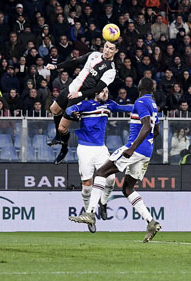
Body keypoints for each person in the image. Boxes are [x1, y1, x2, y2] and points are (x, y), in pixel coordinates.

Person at [69, 78, 162, 243]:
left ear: (139, 86)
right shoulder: (152, 104)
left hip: (134, 149)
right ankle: (151, 221)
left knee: (102, 172)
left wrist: (132, 148)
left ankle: (90, 212)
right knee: (127, 189)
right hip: (147, 151)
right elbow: (156, 131)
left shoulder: (140, 101)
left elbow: (147, 126)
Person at [65, 87, 133, 232]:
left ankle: (102, 202)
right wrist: (73, 113)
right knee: (87, 186)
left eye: (107, 92)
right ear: (96, 93)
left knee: (111, 179)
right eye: (103, 91)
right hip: (84, 149)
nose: (105, 94)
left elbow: (126, 107)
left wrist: (141, 106)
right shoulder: (86, 105)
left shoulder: (110, 105)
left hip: (101, 148)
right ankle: (88, 214)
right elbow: (69, 110)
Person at [45, 40, 118, 164]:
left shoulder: (111, 70)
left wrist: (79, 94)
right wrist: (56, 66)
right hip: (72, 87)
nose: (107, 50)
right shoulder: (93, 54)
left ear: (116, 51)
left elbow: (97, 89)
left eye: (111, 49)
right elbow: (75, 62)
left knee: (63, 128)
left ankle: (64, 149)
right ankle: (58, 136)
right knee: (54, 109)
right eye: (106, 47)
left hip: (80, 96)